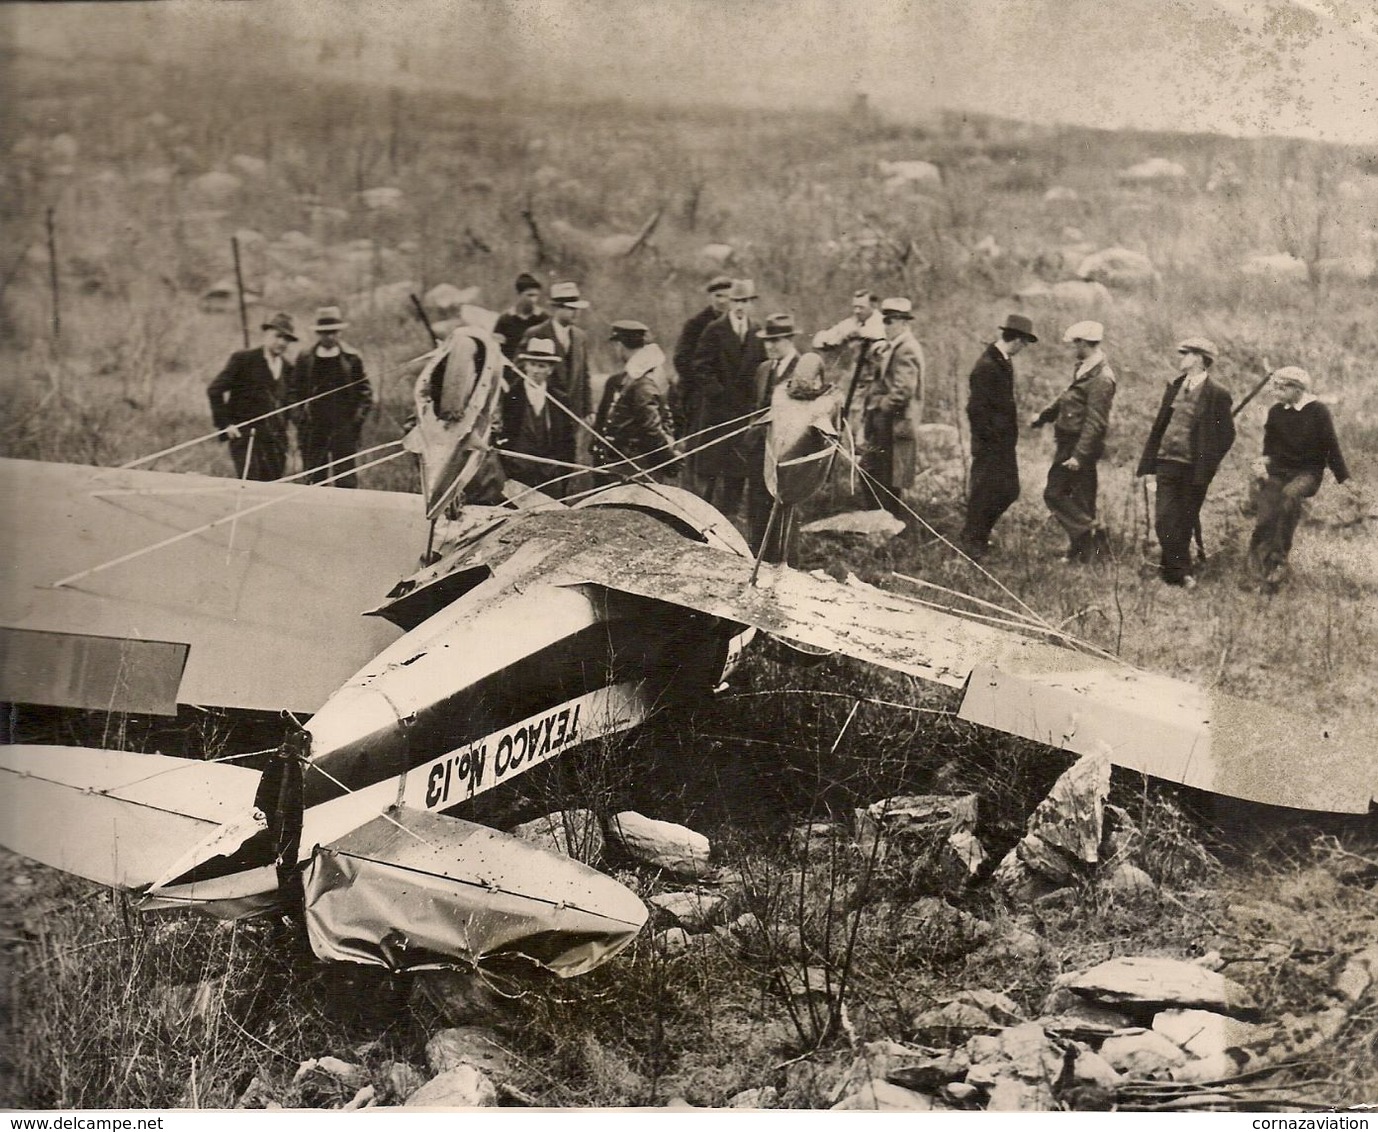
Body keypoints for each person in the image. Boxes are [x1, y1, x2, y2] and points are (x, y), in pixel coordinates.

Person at [1135, 337, 1236, 588]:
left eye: (1187, 354)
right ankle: (1182, 572)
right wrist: (1151, 459)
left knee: (1184, 520)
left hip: (1195, 469)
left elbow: (1227, 435)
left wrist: (1209, 461)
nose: (1182, 359)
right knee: (1164, 519)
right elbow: (1161, 424)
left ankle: (1175, 573)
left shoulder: (1218, 394)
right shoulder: (1175, 385)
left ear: (1200, 359)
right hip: (1167, 461)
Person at [1246, 366, 1354, 589]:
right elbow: (1269, 449)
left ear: (1297, 389)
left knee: (1289, 496)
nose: (1275, 392)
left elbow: (1331, 448)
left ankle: (1279, 561)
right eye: (1274, 387)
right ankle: (1256, 573)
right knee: (1266, 514)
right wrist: (1261, 464)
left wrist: (1346, 480)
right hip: (1278, 471)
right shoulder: (1276, 411)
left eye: (1281, 387)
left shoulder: (1318, 412)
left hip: (1308, 473)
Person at [1031, 320, 1116, 562]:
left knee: (1054, 493)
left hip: (1079, 444)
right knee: (1081, 497)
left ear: (1083, 343)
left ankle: (1091, 528)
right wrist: (1044, 416)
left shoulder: (1102, 377)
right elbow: (1067, 397)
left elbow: (1096, 421)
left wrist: (1079, 455)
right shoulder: (1085, 368)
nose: (1071, 349)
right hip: (1071, 440)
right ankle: (1084, 554)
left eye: (1074, 344)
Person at [960, 313, 1038, 562]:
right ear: (1015, 339)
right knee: (986, 491)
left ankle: (978, 536)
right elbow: (976, 410)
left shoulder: (1002, 361)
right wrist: (991, 440)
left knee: (1007, 490)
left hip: (1002, 443)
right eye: (1024, 342)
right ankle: (973, 541)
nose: (1024, 348)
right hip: (991, 445)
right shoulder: (987, 366)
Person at [744, 314, 824, 554]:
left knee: (783, 512)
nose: (769, 346)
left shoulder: (804, 370)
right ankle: (757, 559)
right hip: (759, 452)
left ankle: (785, 565)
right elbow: (756, 406)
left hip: (787, 455)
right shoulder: (764, 368)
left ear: (790, 339)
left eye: (776, 340)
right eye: (767, 341)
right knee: (757, 507)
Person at [689, 278, 767, 513]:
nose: (741, 306)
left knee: (737, 470)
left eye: (745, 301)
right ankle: (703, 516)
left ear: (752, 303)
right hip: (718, 412)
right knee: (711, 470)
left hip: (744, 413)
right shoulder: (715, 330)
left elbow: (762, 369)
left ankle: (730, 517)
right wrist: (719, 393)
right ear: (730, 302)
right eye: (736, 301)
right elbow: (700, 367)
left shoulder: (757, 331)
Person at [287, 305, 372, 487]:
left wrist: (356, 420)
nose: (330, 337)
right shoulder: (305, 357)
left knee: (346, 476)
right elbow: (293, 391)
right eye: (325, 333)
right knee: (315, 476)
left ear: (340, 332)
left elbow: (365, 392)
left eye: (334, 332)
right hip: (313, 427)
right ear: (318, 334)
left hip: (343, 427)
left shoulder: (352, 357)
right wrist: (299, 417)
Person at [206, 312, 294, 481]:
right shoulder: (244, 359)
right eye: (278, 336)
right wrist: (226, 424)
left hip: (276, 442)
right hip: (246, 437)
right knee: (250, 484)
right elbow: (214, 390)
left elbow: (289, 403)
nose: (282, 342)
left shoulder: (289, 368)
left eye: (287, 339)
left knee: (272, 487)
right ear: (266, 335)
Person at [861, 297, 925, 517]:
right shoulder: (896, 346)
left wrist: (878, 405)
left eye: (890, 321)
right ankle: (884, 520)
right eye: (884, 321)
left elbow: (902, 392)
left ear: (903, 323)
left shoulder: (906, 348)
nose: (885, 326)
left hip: (893, 422)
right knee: (881, 474)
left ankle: (885, 522)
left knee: (881, 474)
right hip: (889, 422)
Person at [592, 320, 679, 482]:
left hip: (634, 465)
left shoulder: (642, 382)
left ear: (620, 345)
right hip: (623, 462)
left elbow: (651, 427)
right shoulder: (636, 376)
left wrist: (668, 459)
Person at [519, 281, 591, 467]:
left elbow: (584, 374)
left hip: (571, 411)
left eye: (577, 308)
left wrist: (588, 408)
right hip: (543, 411)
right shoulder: (536, 333)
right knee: (542, 459)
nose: (576, 313)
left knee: (567, 457)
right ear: (556, 309)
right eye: (570, 308)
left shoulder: (580, 336)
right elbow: (519, 371)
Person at [498, 338, 567, 497]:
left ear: (550, 370)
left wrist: (563, 473)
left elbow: (567, 440)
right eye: (532, 364)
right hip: (518, 471)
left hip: (550, 474)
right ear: (525, 366)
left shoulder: (560, 399)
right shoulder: (510, 395)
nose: (535, 370)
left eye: (541, 366)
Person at [672, 275, 733, 442]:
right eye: (718, 296)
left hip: (730, 394)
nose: (722, 301)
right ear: (710, 298)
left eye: (727, 296)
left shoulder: (737, 325)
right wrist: (706, 386)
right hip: (700, 393)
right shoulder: (695, 325)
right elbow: (681, 360)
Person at [493, 273, 547, 362]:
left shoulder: (544, 318)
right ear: (519, 294)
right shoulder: (505, 319)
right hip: (509, 370)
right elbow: (496, 349)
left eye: (536, 295)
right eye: (529, 295)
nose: (534, 300)